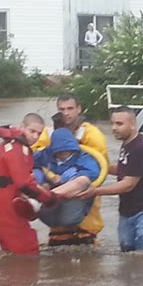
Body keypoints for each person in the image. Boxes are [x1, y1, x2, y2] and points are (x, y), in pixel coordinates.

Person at [79, 106, 143, 252]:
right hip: (127, 211)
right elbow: (123, 169)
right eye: (112, 123)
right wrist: (98, 167)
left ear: (133, 124)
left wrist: (96, 191)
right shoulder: (127, 144)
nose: (114, 128)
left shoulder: (141, 148)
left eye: (119, 124)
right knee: (127, 257)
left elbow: (128, 184)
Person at [32, 94, 108, 245]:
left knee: (88, 262)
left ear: (79, 109)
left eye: (70, 108)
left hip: (83, 206)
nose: (66, 113)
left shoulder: (92, 134)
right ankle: (34, 201)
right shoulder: (49, 133)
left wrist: (75, 175)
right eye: (62, 109)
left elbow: (99, 168)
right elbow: (35, 154)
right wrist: (51, 176)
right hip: (55, 212)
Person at [0, 113, 58, 255]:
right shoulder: (17, 149)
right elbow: (24, 184)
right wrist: (49, 198)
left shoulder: (10, 145)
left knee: (13, 253)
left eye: (39, 133)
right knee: (27, 252)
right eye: (32, 131)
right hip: (2, 206)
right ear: (22, 127)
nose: (35, 137)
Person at [24, 128, 100, 234]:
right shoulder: (46, 154)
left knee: (83, 180)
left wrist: (74, 175)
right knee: (34, 174)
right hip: (51, 199)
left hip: (74, 197)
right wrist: (41, 178)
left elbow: (93, 173)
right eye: (59, 151)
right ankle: (37, 199)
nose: (62, 154)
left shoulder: (83, 157)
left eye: (66, 151)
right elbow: (28, 161)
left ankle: (42, 197)